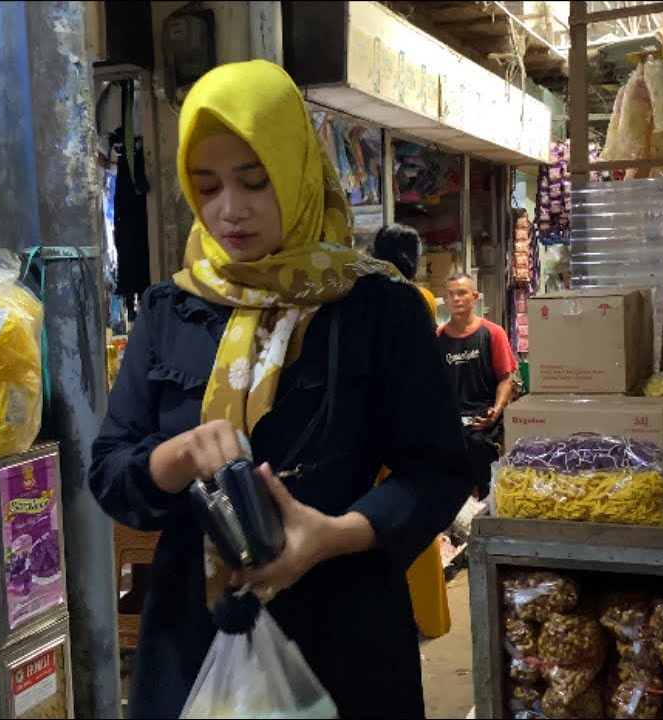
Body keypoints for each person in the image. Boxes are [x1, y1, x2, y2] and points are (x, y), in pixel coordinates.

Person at [88, 60, 471, 719]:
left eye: (254, 181)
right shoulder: (171, 311)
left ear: (296, 171)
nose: (228, 210)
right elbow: (110, 470)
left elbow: (437, 471)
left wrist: (334, 534)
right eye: (205, 187)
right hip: (195, 642)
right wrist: (175, 458)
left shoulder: (380, 308)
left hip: (342, 637)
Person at [370, 223, 451, 639]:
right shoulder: (420, 297)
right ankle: (429, 618)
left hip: (375, 424)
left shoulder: (363, 297)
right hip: (411, 419)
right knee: (417, 523)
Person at [438, 272, 516, 499]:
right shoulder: (437, 339)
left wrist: (496, 411)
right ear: (445, 300)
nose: (456, 299)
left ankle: (487, 510)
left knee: (479, 452)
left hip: (484, 419)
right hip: (451, 422)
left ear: (474, 297)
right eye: (450, 294)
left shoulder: (492, 333)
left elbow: (505, 378)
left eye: (462, 293)